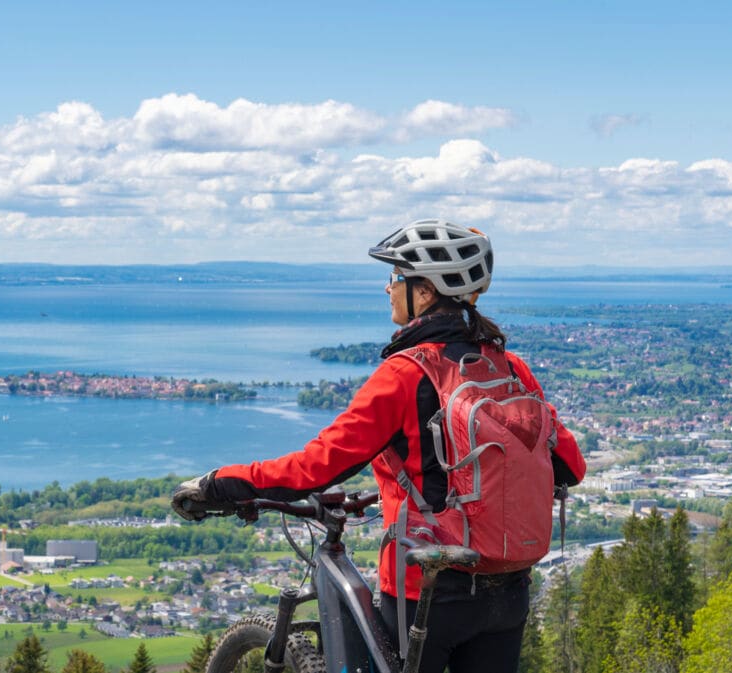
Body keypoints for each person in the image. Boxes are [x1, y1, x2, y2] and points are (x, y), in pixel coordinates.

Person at [171, 219, 586, 673]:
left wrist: (223, 483)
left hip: (427, 592)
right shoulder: (510, 367)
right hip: (508, 588)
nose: (387, 289)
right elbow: (570, 465)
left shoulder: (405, 374)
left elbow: (315, 468)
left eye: (395, 278)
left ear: (425, 292)